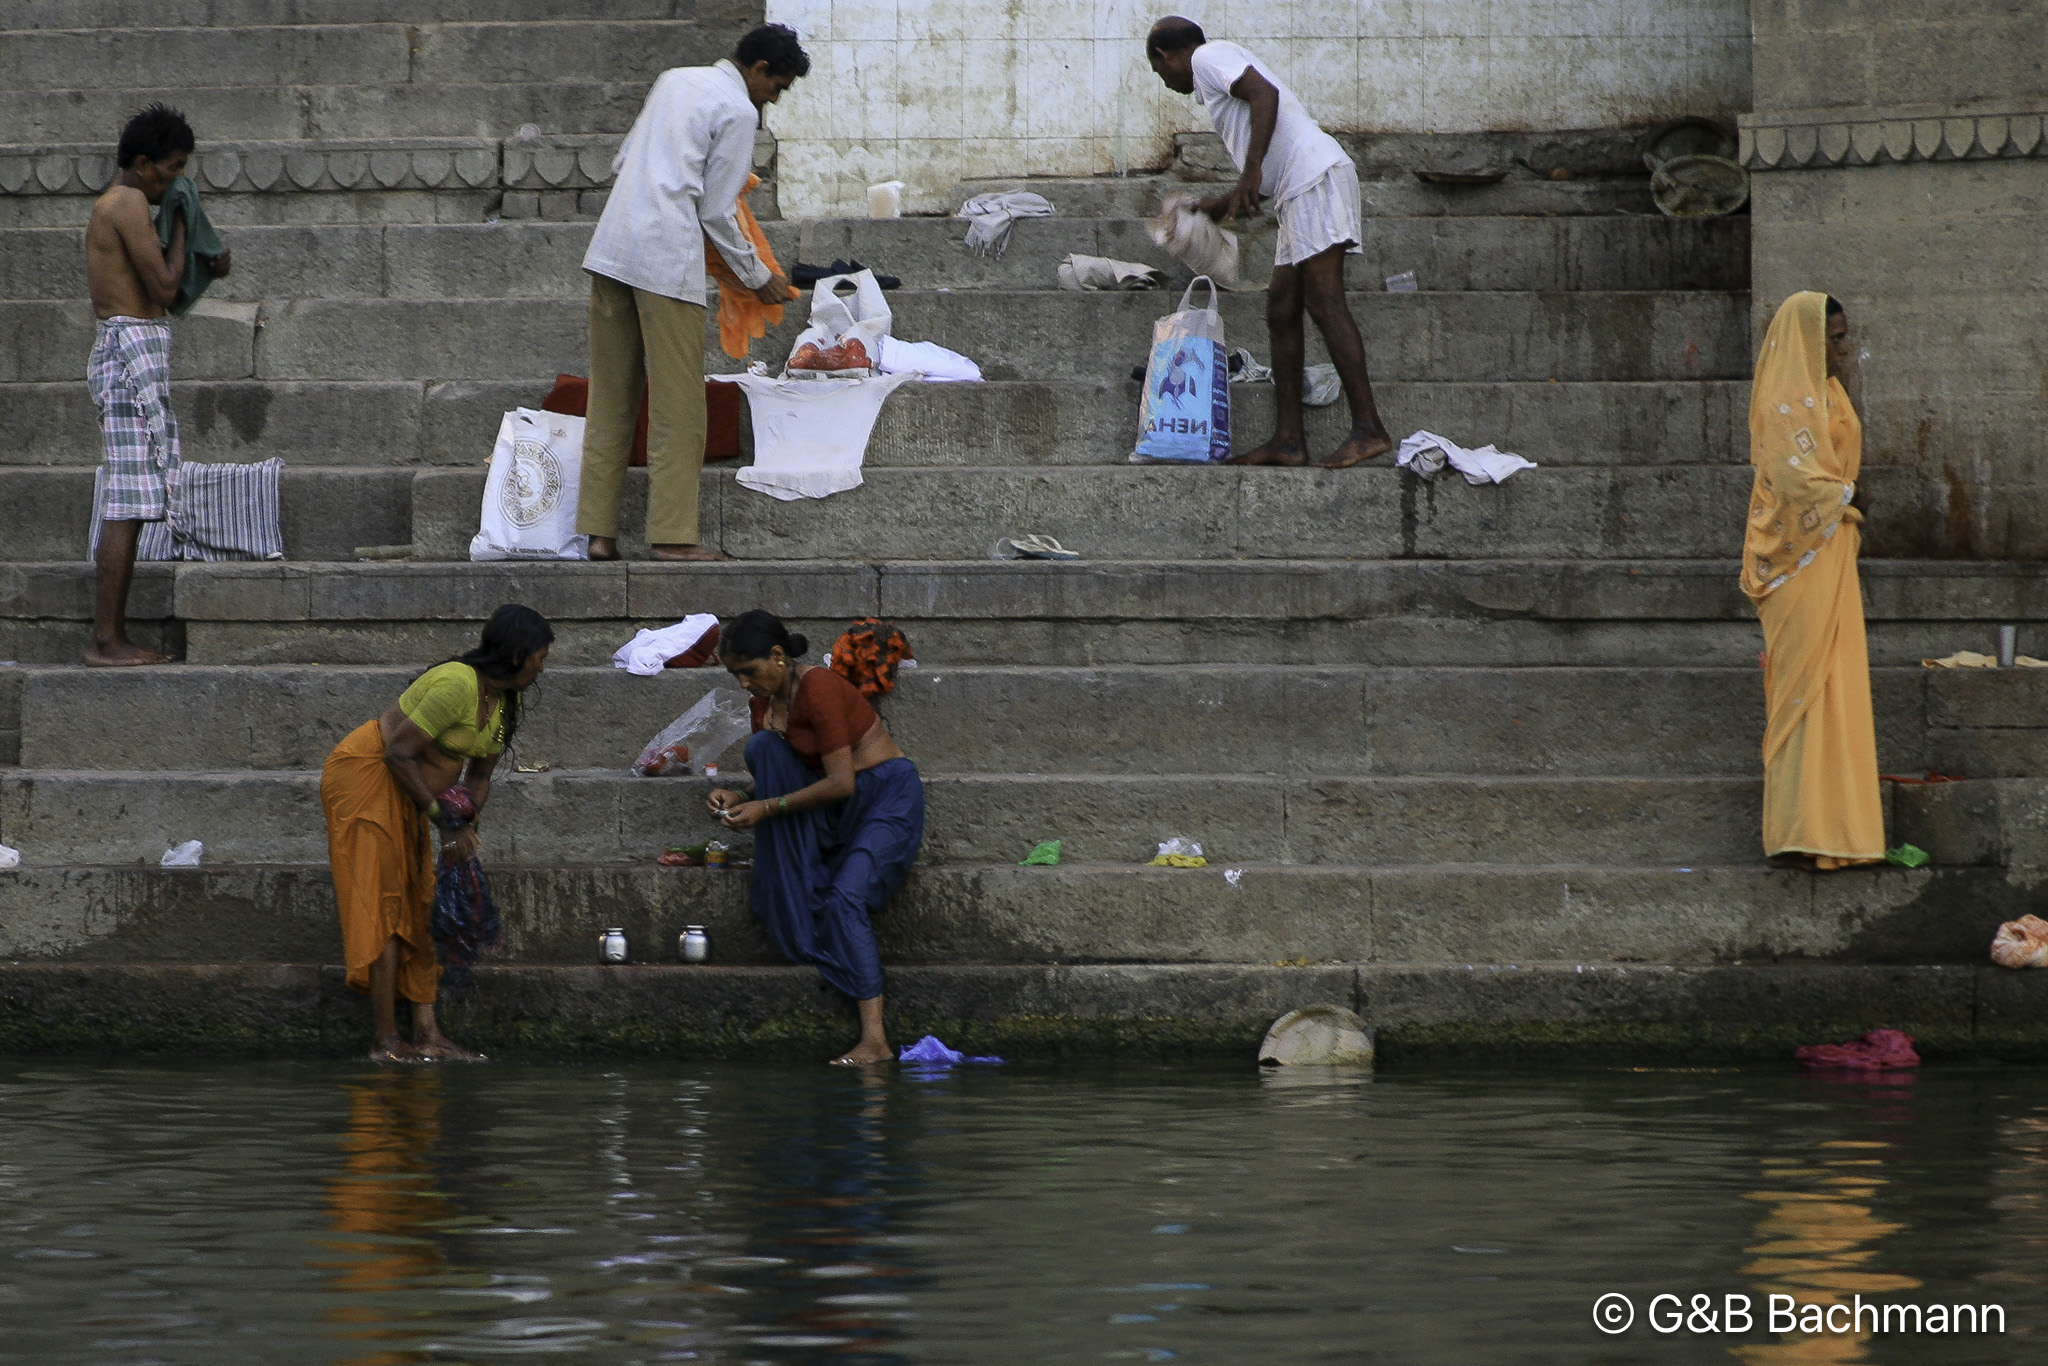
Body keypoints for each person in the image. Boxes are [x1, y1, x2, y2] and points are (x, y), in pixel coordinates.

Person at [577, 24, 806, 564]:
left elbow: (622, 161)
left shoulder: (673, 79)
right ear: (760, 70)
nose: (775, 99)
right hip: (664, 261)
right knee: (679, 406)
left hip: (612, 248)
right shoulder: (739, 111)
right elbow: (716, 212)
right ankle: (673, 538)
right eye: (778, 87)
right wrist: (758, 277)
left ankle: (599, 535)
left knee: (609, 397)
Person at [1145, 16, 1392, 469]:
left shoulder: (1208, 56)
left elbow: (1265, 94)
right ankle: (1289, 440)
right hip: (1296, 190)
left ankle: (1369, 429)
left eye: (1159, 72)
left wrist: (1251, 169)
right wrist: (1211, 208)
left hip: (1315, 178)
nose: (1165, 82)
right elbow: (1261, 180)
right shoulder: (1213, 77)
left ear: (1165, 56)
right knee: (1281, 307)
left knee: (1325, 302)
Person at [320, 604, 554, 1061]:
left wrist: (464, 825)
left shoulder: (507, 699)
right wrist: (444, 821)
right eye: (540, 657)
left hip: (414, 793)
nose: (543, 668)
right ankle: (385, 1041)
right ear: (516, 655)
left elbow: (479, 776)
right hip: (366, 776)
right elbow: (397, 753)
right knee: (384, 903)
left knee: (424, 900)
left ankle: (427, 1034)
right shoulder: (456, 683)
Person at [706, 610, 925, 1066]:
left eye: (749, 671)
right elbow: (784, 772)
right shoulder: (764, 703)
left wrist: (766, 808)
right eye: (735, 675)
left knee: (845, 899)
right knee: (762, 747)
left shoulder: (819, 687)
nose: (744, 683)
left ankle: (875, 1041)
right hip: (830, 810)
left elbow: (841, 781)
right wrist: (741, 796)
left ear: (778, 655)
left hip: (883, 799)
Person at [82, 102, 231, 666]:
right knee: (126, 501)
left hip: (135, 348)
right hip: (127, 352)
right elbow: (165, 289)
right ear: (142, 164)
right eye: (171, 170)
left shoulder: (129, 204)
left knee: (135, 498)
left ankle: (109, 636)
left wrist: (205, 258)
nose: (176, 182)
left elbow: (164, 282)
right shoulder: (123, 203)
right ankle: (106, 640)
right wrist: (187, 223)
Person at [1742, 293, 1883, 870]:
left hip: (1832, 550)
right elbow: (1791, 477)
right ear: (1808, 339)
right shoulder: (1783, 400)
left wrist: (1846, 498)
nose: (1844, 350)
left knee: (1837, 686)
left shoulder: (1830, 393)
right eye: (1836, 338)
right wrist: (1849, 494)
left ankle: (1840, 834)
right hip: (1794, 559)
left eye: (1845, 338)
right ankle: (1797, 834)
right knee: (1802, 691)